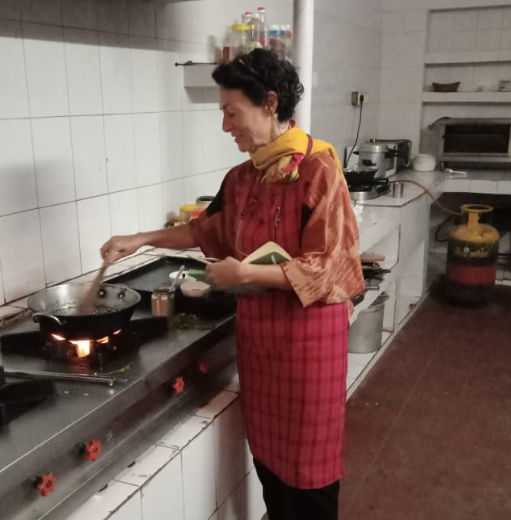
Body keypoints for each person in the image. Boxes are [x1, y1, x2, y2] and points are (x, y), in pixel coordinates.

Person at [101, 49, 364, 520]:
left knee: (309, 474)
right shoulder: (242, 178)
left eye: (231, 112)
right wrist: (140, 240)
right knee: (270, 465)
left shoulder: (318, 170)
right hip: (262, 342)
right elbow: (206, 231)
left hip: (309, 346)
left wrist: (244, 273)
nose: (226, 126)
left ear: (268, 103)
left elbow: (331, 267)